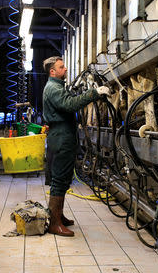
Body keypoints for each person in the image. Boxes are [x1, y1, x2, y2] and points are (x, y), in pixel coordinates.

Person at [42, 56, 110, 237]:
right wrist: (94, 93)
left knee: (63, 179)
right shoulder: (53, 88)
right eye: (61, 67)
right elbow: (69, 104)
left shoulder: (57, 87)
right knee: (59, 179)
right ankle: (54, 223)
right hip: (61, 136)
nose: (65, 69)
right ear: (52, 71)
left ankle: (58, 215)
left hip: (64, 135)